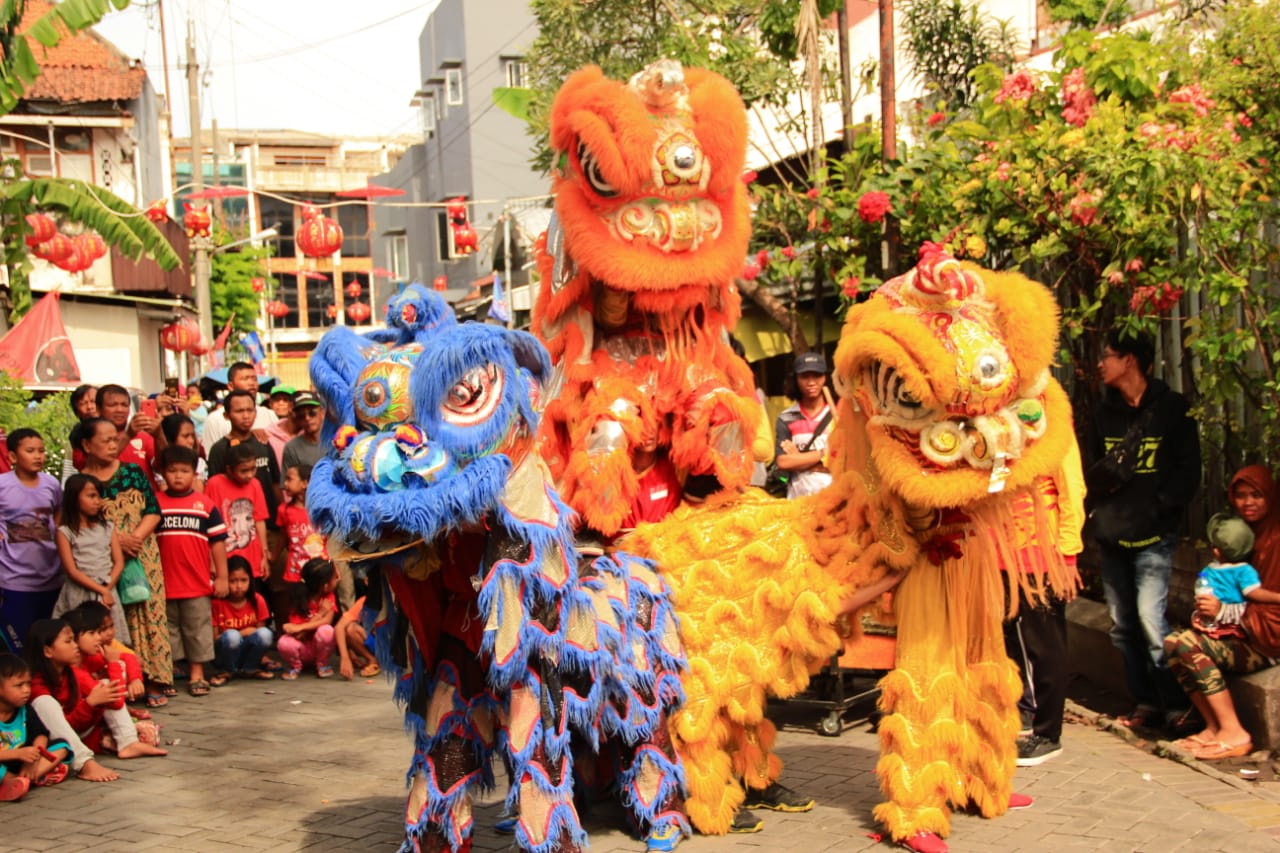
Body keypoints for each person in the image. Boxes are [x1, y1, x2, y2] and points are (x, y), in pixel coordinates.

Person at [1085, 329, 1200, 733]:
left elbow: (1189, 472)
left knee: (1153, 622)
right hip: (1113, 536)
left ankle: (1177, 706)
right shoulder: (1103, 413)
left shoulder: (1171, 410)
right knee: (1122, 626)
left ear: (1130, 360)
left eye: (1109, 356)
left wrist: (1160, 510)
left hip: (1154, 537)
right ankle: (1145, 703)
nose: (1102, 364)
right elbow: (1094, 470)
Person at [1165, 466, 1280, 760]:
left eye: (1256, 495)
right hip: (1241, 631)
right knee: (1173, 643)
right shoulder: (1240, 536)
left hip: (1267, 641)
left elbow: (1271, 603)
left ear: (1270, 497)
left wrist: (1225, 611)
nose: (1248, 503)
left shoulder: (1276, 541)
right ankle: (1213, 727)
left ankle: (1235, 733)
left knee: (1188, 645)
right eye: (1240, 496)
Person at [76, 418, 173, 706]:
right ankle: (125, 679)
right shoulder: (82, 483)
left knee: (150, 612)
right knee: (114, 618)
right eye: (104, 439)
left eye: (115, 438)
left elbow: (153, 511)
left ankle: (155, 678)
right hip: (104, 558)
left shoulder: (133, 472)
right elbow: (80, 523)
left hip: (143, 552)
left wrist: (136, 538)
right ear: (86, 445)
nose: (112, 444)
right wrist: (117, 541)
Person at [1003, 438, 1087, 767]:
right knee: (1007, 637)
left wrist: (1068, 555)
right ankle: (1021, 716)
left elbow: (1072, 489)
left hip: (1042, 552)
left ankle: (1048, 733)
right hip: (1001, 551)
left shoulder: (1053, 423)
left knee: (1044, 642)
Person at [25, 618, 164, 783]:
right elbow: (62, 727)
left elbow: (116, 702)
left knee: (105, 685)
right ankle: (84, 763)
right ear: (47, 651)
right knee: (45, 703)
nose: (75, 645)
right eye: (68, 641)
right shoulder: (36, 685)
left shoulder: (73, 673)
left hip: (79, 732)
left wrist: (114, 669)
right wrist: (89, 704)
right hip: (55, 742)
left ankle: (128, 742)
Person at [154, 446, 229, 697]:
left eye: (184, 471)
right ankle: (171, 673)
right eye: (172, 471)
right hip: (163, 583)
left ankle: (198, 674)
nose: (178, 476)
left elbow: (218, 543)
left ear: (194, 473)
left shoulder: (205, 505)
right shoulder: (155, 504)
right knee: (169, 630)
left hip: (196, 582)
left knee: (197, 628)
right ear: (163, 473)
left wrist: (222, 576)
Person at [0, 429, 63, 655]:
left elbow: (58, 514)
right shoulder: (3, 485)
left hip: (50, 579)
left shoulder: (51, 484)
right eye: (30, 451)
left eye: (41, 451)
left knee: (47, 645)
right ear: (13, 457)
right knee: (18, 646)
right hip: (14, 581)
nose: (38, 456)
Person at [51, 475, 129, 645]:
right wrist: (101, 591)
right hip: (80, 593)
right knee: (80, 637)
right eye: (91, 496)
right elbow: (71, 570)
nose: (98, 501)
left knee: (109, 639)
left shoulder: (108, 527)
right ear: (74, 497)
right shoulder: (65, 532)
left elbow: (119, 562)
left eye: (99, 496)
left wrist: (106, 589)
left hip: (106, 591)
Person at [0, 652, 71, 801]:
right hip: (5, 763)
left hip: (23, 762)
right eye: (19, 685)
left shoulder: (24, 709)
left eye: (28, 684)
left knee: (62, 746)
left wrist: (35, 757)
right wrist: (17, 754)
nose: (26, 690)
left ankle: (24, 780)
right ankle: (21, 780)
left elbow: (40, 734)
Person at [208, 390, 282, 526]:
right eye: (239, 411)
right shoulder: (219, 449)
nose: (246, 416)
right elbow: (214, 491)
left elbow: (275, 482)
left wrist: (281, 517)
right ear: (226, 415)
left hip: (269, 524)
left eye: (250, 410)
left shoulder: (263, 442)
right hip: (235, 527)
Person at [206, 444, 271, 591]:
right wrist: (212, 561)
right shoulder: (214, 484)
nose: (249, 475)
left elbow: (259, 520)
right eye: (243, 471)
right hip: (225, 557)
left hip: (252, 556)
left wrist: (264, 554)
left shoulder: (255, 484)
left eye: (253, 469)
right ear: (229, 469)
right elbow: (209, 526)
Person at [773, 352, 834, 499]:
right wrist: (823, 453)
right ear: (796, 379)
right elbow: (783, 462)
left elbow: (846, 459)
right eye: (805, 376)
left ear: (825, 377)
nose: (811, 382)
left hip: (834, 498)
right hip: (798, 500)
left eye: (817, 376)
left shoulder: (838, 415)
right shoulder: (786, 418)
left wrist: (799, 458)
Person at [68, 601, 144, 706]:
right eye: (92, 633)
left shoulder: (89, 657)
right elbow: (116, 703)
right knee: (107, 684)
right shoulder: (76, 673)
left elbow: (129, 657)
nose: (99, 637)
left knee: (121, 666)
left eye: (98, 632)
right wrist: (112, 664)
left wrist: (135, 679)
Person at [211, 557, 275, 681]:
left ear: (250, 580)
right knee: (232, 637)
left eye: (244, 580)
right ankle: (227, 671)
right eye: (233, 581)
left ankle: (250, 669)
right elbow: (214, 638)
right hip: (223, 654)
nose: (239, 586)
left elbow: (259, 634)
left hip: (246, 651)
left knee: (266, 634)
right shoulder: (217, 603)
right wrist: (242, 633)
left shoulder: (257, 600)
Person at [277, 558, 338, 680]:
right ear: (325, 586)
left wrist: (300, 627)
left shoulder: (328, 597)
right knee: (284, 642)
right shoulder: (299, 598)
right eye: (334, 578)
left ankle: (322, 663)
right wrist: (320, 614)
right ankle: (295, 666)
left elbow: (327, 621)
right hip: (301, 647)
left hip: (319, 648)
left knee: (327, 631)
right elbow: (298, 635)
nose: (337, 580)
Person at [200, 362, 278, 448]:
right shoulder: (215, 420)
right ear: (230, 386)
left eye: (254, 379)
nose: (251, 383)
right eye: (245, 379)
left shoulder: (269, 415)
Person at [94, 385, 162, 481]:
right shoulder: (92, 437)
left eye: (124, 405)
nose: (120, 410)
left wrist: (159, 434)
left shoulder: (142, 436)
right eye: (112, 405)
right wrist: (128, 435)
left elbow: (161, 468)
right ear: (98, 409)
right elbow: (100, 465)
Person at [335, 595, 379, 680]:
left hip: (391, 647)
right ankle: (372, 659)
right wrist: (345, 658)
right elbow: (339, 627)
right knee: (350, 629)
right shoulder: (365, 601)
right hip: (374, 642)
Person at [159, 412, 207, 489]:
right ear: (170, 438)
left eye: (192, 436)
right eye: (185, 436)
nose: (191, 441)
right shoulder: (160, 463)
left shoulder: (199, 463)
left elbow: (198, 493)